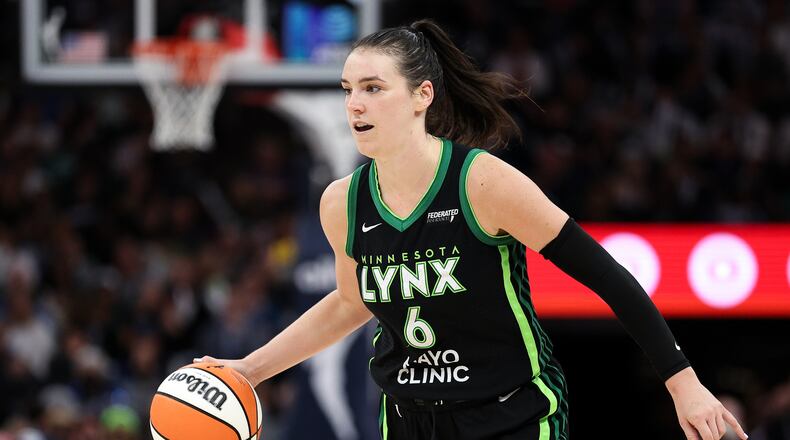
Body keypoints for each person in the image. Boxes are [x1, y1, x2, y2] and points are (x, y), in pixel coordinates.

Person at [196, 19, 748, 440]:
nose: (354, 104)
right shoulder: (342, 201)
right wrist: (248, 369)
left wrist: (684, 383)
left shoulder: (481, 183)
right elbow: (350, 302)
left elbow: (607, 277)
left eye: (372, 88)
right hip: (410, 419)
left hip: (510, 414)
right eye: (347, 89)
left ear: (422, 97)